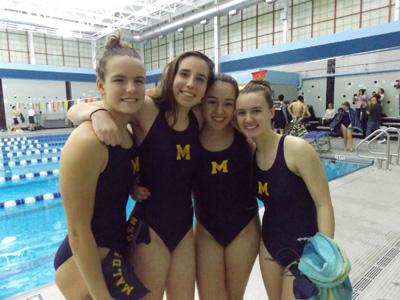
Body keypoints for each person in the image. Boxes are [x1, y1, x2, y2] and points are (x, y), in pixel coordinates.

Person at [67, 51, 215, 300]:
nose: (191, 84)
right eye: (184, 74)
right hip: (150, 228)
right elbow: (74, 109)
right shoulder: (146, 108)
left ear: (205, 89)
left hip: (183, 229)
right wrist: (96, 113)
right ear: (171, 76)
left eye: (200, 79)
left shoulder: (199, 118)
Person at [54, 31, 148, 299]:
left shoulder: (128, 132)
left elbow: (110, 180)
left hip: (113, 250)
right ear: (101, 85)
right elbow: (77, 229)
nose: (131, 89)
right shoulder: (87, 142)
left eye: (138, 81)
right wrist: (100, 296)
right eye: (120, 80)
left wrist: (131, 186)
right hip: (82, 262)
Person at [235, 79, 335, 300]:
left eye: (256, 111)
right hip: (269, 245)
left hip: (304, 249)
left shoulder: (296, 149)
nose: (248, 119)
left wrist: (324, 256)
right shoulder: (250, 152)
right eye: (241, 113)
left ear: (272, 112)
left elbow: (323, 204)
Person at [192, 73, 261, 299]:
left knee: (234, 297)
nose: (219, 111)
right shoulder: (188, 137)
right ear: (202, 101)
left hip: (244, 230)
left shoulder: (246, 136)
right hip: (206, 231)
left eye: (228, 104)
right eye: (212, 102)